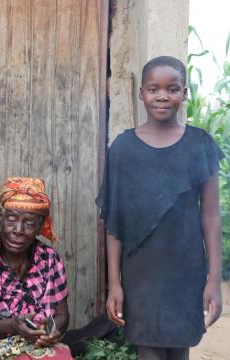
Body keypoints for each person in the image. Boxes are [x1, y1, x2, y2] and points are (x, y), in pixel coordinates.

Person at [96, 56, 223, 360]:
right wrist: (115, 284)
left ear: (185, 94)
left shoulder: (200, 144)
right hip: (141, 273)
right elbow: (114, 222)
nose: (163, 96)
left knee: (180, 349)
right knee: (149, 350)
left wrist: (214, 280)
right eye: (154, 89)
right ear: (142, 93)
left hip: (186, 270)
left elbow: (211, 216)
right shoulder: (124, 148)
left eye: (173, 88)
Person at [0, 177, 74, 360]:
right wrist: (11, 326)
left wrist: (51, 332)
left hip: (34, 345)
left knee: (60, 355)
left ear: (40, 226)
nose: (18, 230)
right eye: (11, 220)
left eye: (29, 223)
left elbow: (62, 315)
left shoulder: (50, 259)